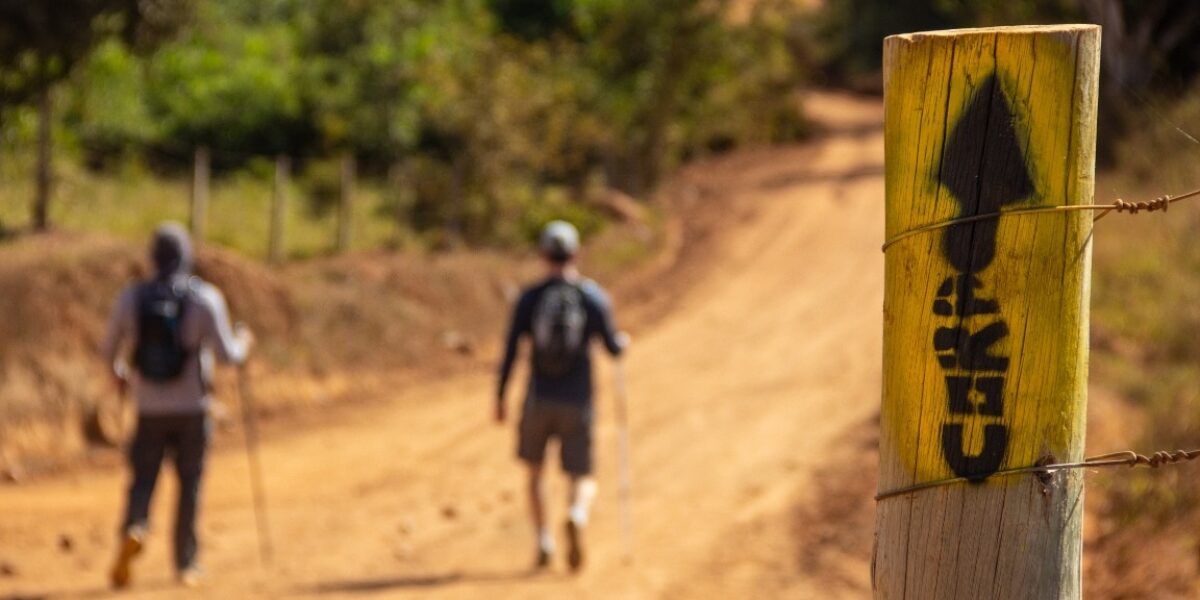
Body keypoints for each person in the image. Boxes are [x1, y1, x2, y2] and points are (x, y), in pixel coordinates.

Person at [101, 223, 253, 589]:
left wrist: (121, 376)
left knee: (142, 481)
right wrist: (245, 341)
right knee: (190, 485)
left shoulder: (132, 298)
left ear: (152, 256)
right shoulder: (204, 298)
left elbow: (108, 352)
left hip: (147, 407)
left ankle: (135, 527)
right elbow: (228, 355)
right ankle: (185, 563)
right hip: (192, 408)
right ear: (187, 256)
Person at [496, 220, 628, 572]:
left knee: (536, 472)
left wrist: (500, 396)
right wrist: (621, 344)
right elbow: (613, 348)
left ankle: (544, 541)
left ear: (543, 254)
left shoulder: (530, 298)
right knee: (581, 473)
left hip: (538, 398)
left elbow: (511, 349)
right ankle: (576, 512)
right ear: (576, 254)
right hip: (578, 400)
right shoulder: (591, 297)